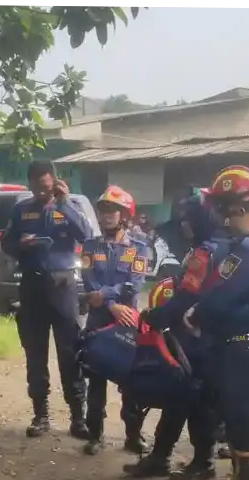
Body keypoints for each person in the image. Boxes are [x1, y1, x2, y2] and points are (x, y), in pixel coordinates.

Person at [143, 166, 249, 480]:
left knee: (243, 422)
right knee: (236, 421)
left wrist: (195, 312)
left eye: (219, 206)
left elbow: (218, 298)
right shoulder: (241, 247)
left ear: (234, 208)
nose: (216, 214)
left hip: (247, 350)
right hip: (234, 348)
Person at [123, 194, 227, 480]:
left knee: (197, 401)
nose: (183, 226)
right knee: (179, 397)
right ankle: (161, 457)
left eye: (188, 220)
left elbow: (187, 296)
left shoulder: (206, 251)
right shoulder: (220, 246)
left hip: (199, 341)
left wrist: (159, 315)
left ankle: (202, 462)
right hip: (201, 337)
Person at [0, 160, 90, 439]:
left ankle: (78, 417)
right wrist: (20, 245)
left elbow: (86, 234)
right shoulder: (21, 209)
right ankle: (41, 415)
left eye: (46, 184)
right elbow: (6, 243)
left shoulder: (70, 206)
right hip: (32, 287)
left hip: (63, 287)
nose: (42, 190)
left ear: (55, 182)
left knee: (70, 353)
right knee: (35, 355)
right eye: (37, 185)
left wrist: (63, 204)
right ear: (30, 185)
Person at [79, 185, 153, 456]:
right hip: (98, 324)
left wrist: (106, 298)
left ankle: (133, 436)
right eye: (103, 210)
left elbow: (133, 285)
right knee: (95, 382)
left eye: (112, 210)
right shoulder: (89, 246)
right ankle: (95, 435)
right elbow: (89, 283)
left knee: (132, 383)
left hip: (126, 325)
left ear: (125, 215)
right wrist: (110, 303)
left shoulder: (139, 249)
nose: (106, 215)